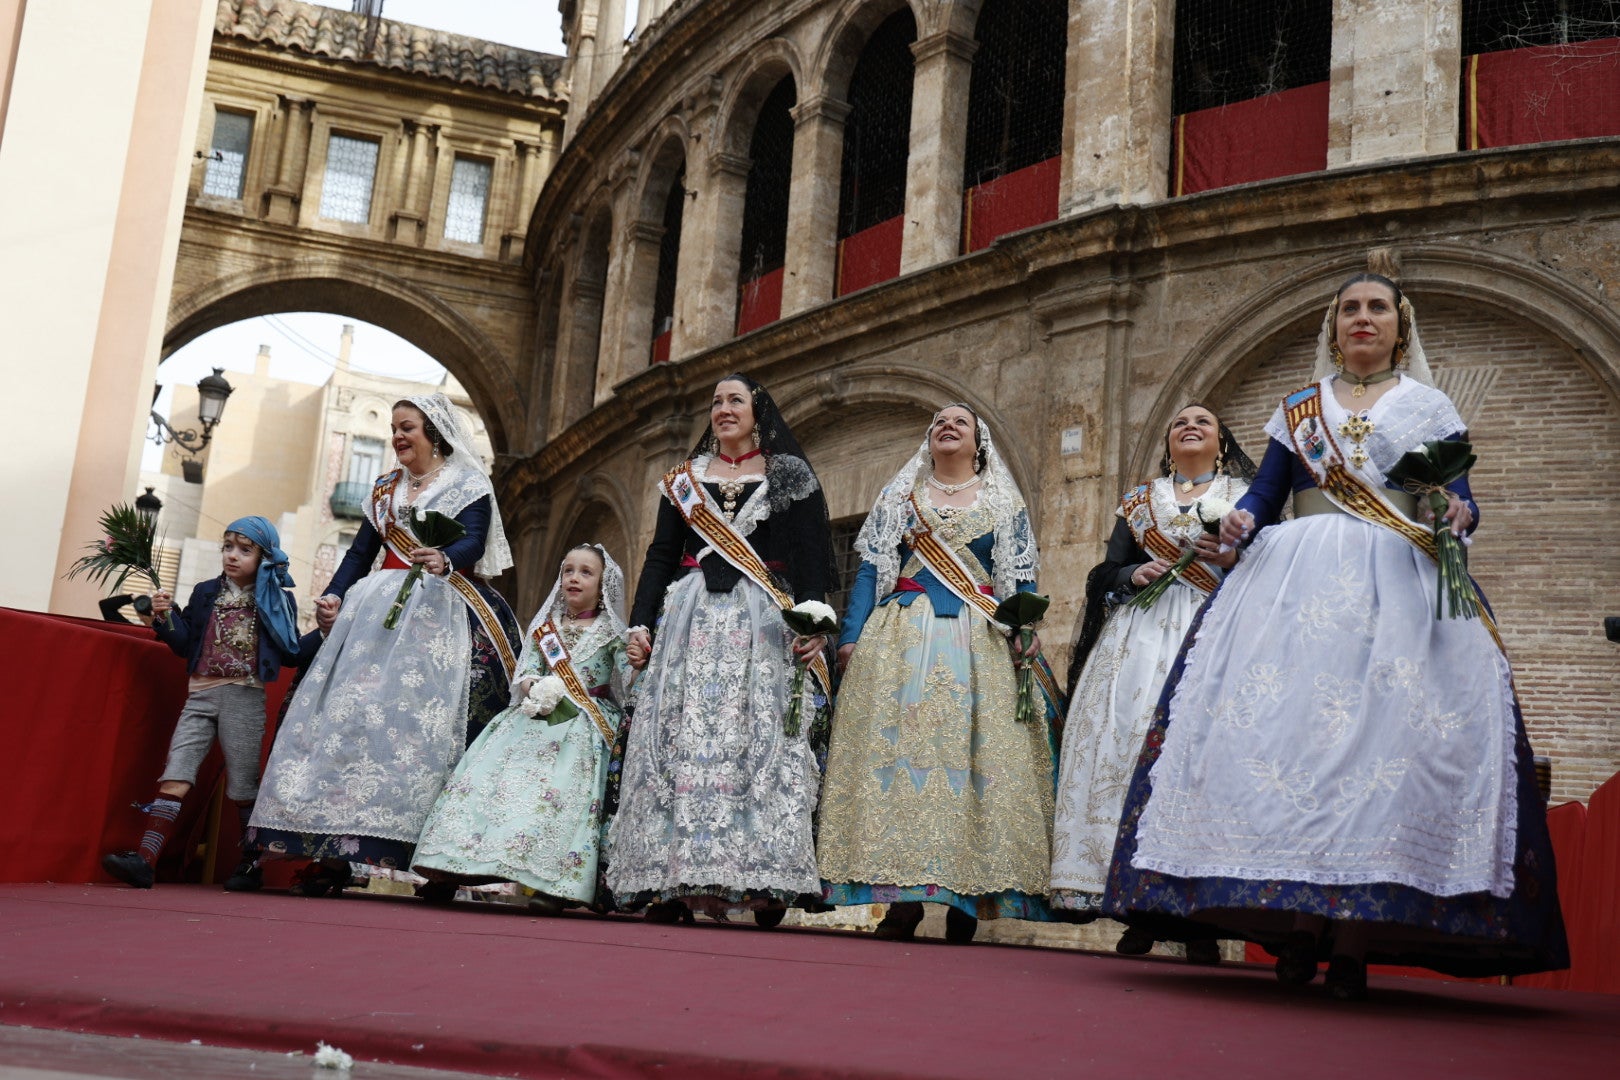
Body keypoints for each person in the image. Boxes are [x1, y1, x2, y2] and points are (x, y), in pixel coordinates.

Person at [1104, 262, 1568, 999]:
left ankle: (1351, 941)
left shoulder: (1429, 405)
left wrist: (1458, 513)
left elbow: (1460, 495)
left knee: (1380, 750)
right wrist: (1243, 519)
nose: (1363, 318)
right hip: (1295, 579)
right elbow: (1266, 491)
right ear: (1335, 326)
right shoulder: (1299, 407)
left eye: (1377, 308)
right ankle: (1295, 930)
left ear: (1399, 324)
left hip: (1399, 582)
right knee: (1290, 744)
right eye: (1350, 308)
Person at [249, 393, 521, 897]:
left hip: (440, 612)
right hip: (375, 612)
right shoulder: (383, 491)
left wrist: (444, 558)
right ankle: (331, 854)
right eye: (394, 428)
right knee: (348, 723)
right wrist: (333, 595)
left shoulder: (467, 483)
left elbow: (474, 543)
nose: (398, 436)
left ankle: (436, 864)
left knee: (419, 728)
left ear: (434, 434)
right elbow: (360, 553)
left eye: (407, 427)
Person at [817, 404, 1061, 944]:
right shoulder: (899, 499)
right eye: (937, 424)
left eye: (960, 422)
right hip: (901, 636)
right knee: (901, 763)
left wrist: (1025, 629)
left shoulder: (1004, 502)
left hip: (979, 642)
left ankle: (967, 900)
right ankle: (899, 902)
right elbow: (872, 572)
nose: (947, 427)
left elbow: (1017, 581)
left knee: (974, 763)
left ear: (979, 442)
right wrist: (852, 636)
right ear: (928, 441)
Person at [606, 373, 834, 926]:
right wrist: (641, 625)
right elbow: (660, 557)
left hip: (764, 626)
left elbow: (809, 558)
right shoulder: (682, 481)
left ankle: (760, 879)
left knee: (759, 742)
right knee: (680, 739)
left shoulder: (789, 476)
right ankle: (673, 880)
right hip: (689, 622)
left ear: (759, 412)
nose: (724, 409)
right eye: (716, 402)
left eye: (736, 400)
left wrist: (814, 622)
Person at [1049, 405, 1254, 963]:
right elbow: (1107, 571)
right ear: (1168, 444)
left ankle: (1199, 915)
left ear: (1222, 443)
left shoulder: (1245, 496)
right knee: (1127, 752)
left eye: (1204, 421)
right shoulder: (1141, 502)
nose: (1191, 425)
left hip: (1213, 631)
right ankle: (1135, 906)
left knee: (1197, 762)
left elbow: (1270, 563)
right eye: (1180, 421)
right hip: (1137, 639)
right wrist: (1131, 573)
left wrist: (1234, 557)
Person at [412, 544, 632, 913]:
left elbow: (626, 683)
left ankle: (554, 885)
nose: (574, 578)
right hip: (532, 717)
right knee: (494, 786)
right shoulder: (544, 629)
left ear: (603, 584)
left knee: (562, 796)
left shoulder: (612, 633)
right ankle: (449, 871)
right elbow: (527, 669)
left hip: (584, 726)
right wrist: (535, 687)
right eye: (568, 571)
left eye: (585, 572)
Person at [101, 518, 301, 891]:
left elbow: (290, 654)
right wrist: (163, 616)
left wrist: (325, 630)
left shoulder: (277, 599)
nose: (233, 556)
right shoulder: (205, 591)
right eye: (227, 547)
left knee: (242, 785)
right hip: (199, 695)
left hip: (244, 695)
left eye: (245, 549)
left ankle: (250, 865)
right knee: (176, 772)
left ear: (265, 556)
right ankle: (145, 860)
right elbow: (183, 645)